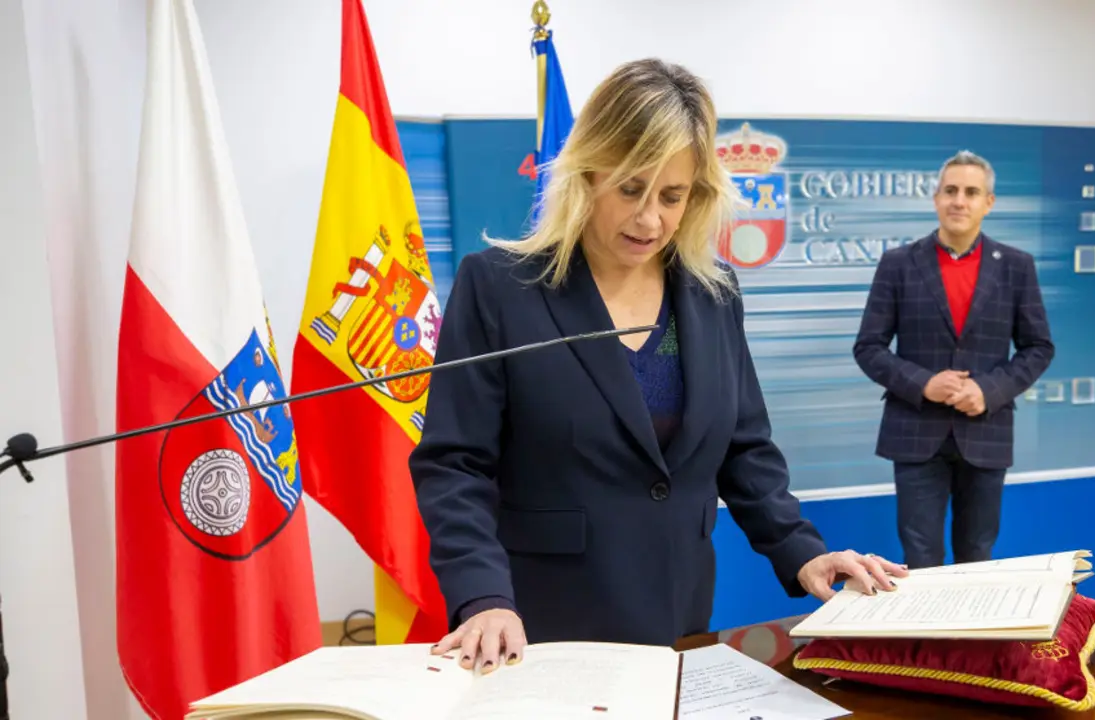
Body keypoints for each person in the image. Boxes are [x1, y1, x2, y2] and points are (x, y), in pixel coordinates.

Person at [410, 58, 907, 674]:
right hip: (539, 628)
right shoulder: (500, 287)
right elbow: (456, 464)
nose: (650, 220)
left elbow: (745, 449)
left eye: (672, 196)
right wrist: (481, 596)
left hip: (679, 617)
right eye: (630, 189)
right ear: (588, 172)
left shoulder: (713, 292)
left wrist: (801, 551)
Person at [853, 150, 1054, 571]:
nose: (959, 200)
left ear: (988, 202)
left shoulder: (1017, 267)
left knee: (977, 557)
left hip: (987, 432)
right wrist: (923, 383)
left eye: (971, 192)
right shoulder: (898, 264)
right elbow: (868, 346)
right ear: (936, 198)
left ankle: (968, 640)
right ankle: (925, 639)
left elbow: (1039, 347)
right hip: (914, 432)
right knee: (920, 559)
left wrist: (989, 389)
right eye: (951, 190)